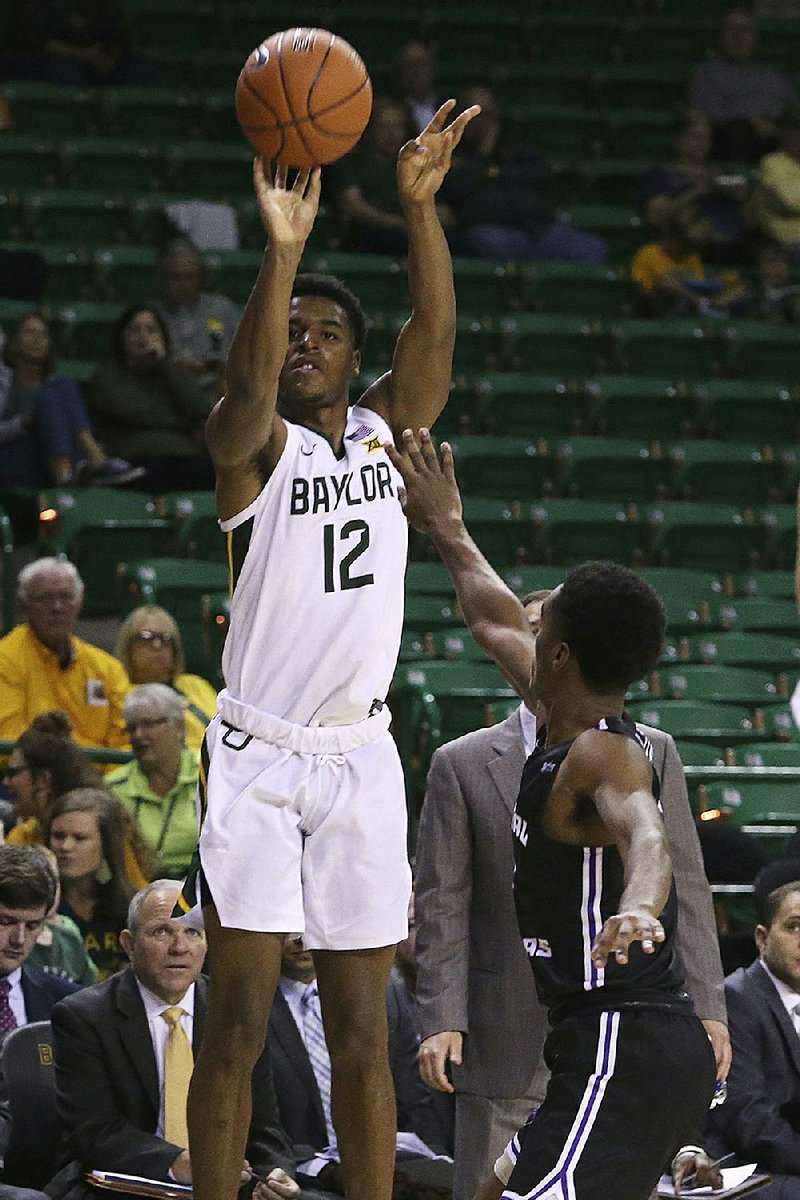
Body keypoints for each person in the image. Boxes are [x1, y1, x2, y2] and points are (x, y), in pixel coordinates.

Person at [177, 99, 479, 1200]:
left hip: (358, 755)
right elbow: (243, 396)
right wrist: (280, 252)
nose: (302, 343)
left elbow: (433, 340)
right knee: (239, 1023)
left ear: (355, 359)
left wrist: (419, 211)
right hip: (258, 754)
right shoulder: (250, 452)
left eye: (325, 332)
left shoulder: (384, 433)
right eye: (290, 329)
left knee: (365, 1030)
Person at [387, 432, 718, 1200]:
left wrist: (638, 907)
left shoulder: (607, 754)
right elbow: (489, 615)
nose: (525, 630)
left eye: (544, 625)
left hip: (624, 1038)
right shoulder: (555, 701)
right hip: (591, 1043)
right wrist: (447, 527)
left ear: (561, 653)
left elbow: (645, 832)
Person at [49, 879, 299, 1200]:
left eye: (192, 932)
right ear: (128, 943)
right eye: (162, 931)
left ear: (208, 943)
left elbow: (264, 1124)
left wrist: (277, 1172)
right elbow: (93, 1131)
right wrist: (175, 1162)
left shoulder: (235, 1012)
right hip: (124, 1185)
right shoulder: (84, 1016)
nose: (179, 947)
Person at [267, 936, 451, 1192]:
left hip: (395, 1161)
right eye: (289, 928)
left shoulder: (383, 989)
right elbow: (263, 1122)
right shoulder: (256, 1005)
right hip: (304, 1172)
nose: (299, 939)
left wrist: (436, 1158)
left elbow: (415, 1097)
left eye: (307, 922)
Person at [705, 881, 800, 1198]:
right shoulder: (737, 998)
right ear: (762, 938)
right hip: (748, 1170)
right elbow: (748, 1120)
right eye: (794, 926)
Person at [438, 85, 607, 264]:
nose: (483, 123)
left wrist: (495, 174)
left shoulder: (515, 150)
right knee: (484, 242)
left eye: (488, 115)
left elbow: (541, 178)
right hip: (491, 233)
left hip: (535, 230)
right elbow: (459, 191)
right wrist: (483, 152)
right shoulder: (452, 155)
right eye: (475, 116)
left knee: (593, 248)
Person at [0, 845, 80, 1192]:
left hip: (50, 1174)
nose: (19, 939)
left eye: (33, 925)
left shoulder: (65, 1003)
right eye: (6, 922)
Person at [0, 312, 143, 487]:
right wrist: (21, 424)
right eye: (29, 333)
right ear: (13, 341)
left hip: (51, 458)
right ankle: (83, 467)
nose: (37, 339)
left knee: (63, 384)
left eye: (43, 334)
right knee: (47, 398)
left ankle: (88, 462)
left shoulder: (58, 387)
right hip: (17, 457)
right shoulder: (6, 385)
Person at [0, 559, 130, 750]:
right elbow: (8, 743)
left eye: (66, 597)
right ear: (24, 605)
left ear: (80, 603)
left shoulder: (107, 668)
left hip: (103, 777)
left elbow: (126, 742)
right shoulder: (6, 660)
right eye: (45, 598)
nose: (57, 607)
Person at [88, 305, 215, 493]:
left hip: (184, 456)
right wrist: (178, 419)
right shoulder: (107, 376)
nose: (143, 337)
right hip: (137, 457)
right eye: (135, 330)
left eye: (151, 330)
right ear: (122, 337)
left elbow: (201, 408)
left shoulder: (172, 373)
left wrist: (164, 364)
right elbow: (131, 410)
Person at [46, 787, 149, 980]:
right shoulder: (37, 908)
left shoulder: (134, 908)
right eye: (58, 836)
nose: (65, 847)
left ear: (106, 845)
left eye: (79, 838)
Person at [106, 685, 200, 879]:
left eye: (149, 724)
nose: (138, 735)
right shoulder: (113, 788)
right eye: (132, 728)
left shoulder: (208, 775)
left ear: (179, 727)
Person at [688, 5, 797, 163]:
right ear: (720, 35)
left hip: (772, 146)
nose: (738, 36)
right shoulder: (706, 74)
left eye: (744, 30)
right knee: (735, 132)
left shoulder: (772, 77)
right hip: (728, 144)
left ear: (754, 36)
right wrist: (751, 120)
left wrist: (774, 127)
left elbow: (791, 112)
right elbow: (706, 115)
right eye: (731, 29)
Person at [638, 111, 748, 262]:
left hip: (735, 243)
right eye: (695, 137)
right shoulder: (660, 175)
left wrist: (738, 192)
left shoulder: (720, 173)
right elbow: (655, 217)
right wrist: (694, 193)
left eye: (707, 138)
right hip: (690, 247)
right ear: (677, 139)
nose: (702, 143)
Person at [115, 606, 217, 754]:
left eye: (166, 639)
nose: (157, 645)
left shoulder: (195, 684)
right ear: (128, 646)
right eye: (146, 637)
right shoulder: (119, 692)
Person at [153, 239, 242, 404]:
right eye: (176, 277)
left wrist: (216, 365)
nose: (184, 285)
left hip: (219, 392)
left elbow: (242, 355)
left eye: (190, 277)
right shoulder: (152, 315)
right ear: (163, 277)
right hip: (169, 395)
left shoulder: (222, 309)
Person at [328, 97, 416, 256]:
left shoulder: (413, 165)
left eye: (398, 127)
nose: (392, 134)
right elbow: (353, 206)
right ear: (369, 130)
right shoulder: (351, 161)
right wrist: (400, 224)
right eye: (384, 127)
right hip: (367, 234)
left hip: (409, 233)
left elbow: (444, 212)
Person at [630, 202, 746, 317]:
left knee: (740, 288)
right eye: (685, 245)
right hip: (658, 313)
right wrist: (697, 300)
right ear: (672, 238)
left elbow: (730, 284)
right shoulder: (648, 253)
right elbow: (659, 286)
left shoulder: (693, 256)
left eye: (692, 247)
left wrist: (713, 302)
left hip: (697, 312)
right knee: (669, 281)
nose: (688, 251)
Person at [4, 711, 101, 844]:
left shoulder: (103, 832)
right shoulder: (21, 838)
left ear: (43, 779)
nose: (6, 782)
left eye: (12, 773)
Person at [754, 100, 800, 261]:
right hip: (784, 243)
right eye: (790, 131)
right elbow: (784, 202)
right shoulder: (771, 162)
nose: (795, 136)